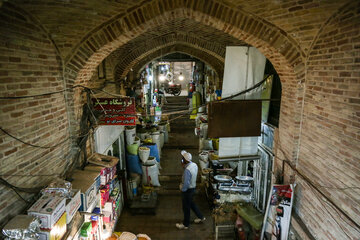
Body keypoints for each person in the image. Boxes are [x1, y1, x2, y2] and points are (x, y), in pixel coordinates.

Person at [176, 150, 206, 230]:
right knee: (191, 204)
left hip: (187, 190)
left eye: (182, 159)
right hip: (193, 188)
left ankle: (185, 224)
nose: (181, 159)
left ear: (184, 160)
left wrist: (182, 189)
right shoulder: (194, 165)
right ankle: (201, 217)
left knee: (186, 207)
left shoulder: (187, 170)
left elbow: (186, 183)